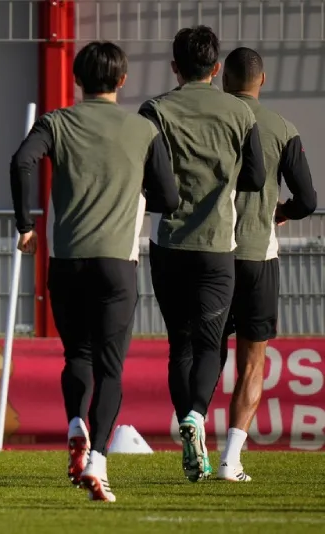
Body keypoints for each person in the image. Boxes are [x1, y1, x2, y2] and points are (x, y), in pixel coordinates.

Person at [10, 41, 179, 502]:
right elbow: (168, 198)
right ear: (122, 80)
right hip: (116, 263)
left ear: (77, 79)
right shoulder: (144, 129)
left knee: (76, 356)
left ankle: (75, 425)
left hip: (66, 260)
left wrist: (25, 225)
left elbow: (22, 160)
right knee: (110, 367)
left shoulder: (56, 122)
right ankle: (98, 460)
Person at [138, 26, 267, 483]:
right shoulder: (239, 112)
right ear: (216, 68)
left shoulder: (154, 110)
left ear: (175, 66)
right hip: (217, 247)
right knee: (211, 344)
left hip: (169, 244)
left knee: (180, 344)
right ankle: (196, 414)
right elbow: (256, 177)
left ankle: (187, 426)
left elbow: (145, 173)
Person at [218, 48, 317, 482]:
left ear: (223, 79)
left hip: (209, 255)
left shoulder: (212, 120)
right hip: (258, 254)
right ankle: (230, 460)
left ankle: (195, 446)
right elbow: (308, 200)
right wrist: (283, 211)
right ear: (263, 80)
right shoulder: (282, 128)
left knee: (201, 354)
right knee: (252, 362)